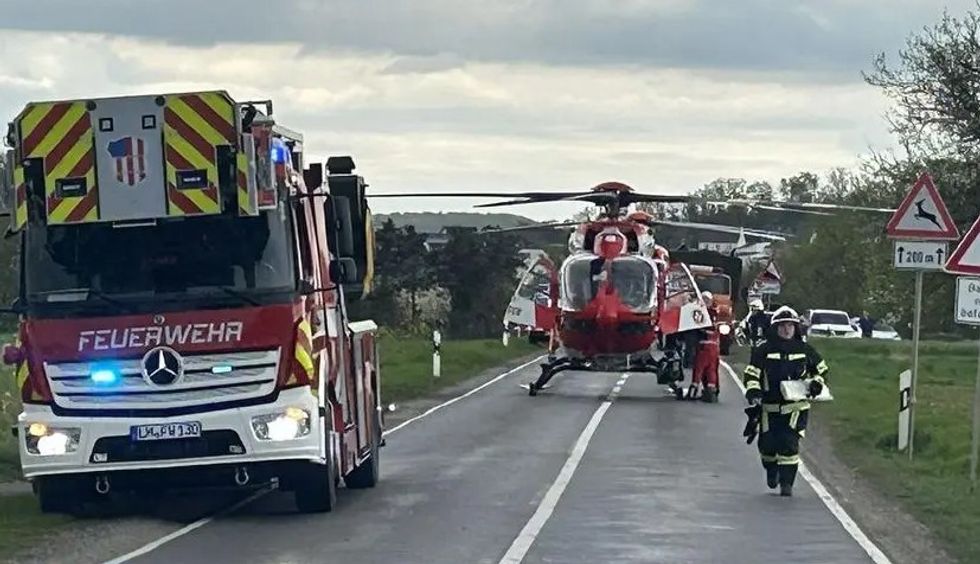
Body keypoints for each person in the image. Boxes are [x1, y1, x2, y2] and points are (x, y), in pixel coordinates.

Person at [742, 306, 829, 497]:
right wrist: (754, 391)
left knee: (789, 442)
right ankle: (772, 471)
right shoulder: (763, 350)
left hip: (795, 407)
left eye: (790, 325)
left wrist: (817, 383)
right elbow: (751, 374)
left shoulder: (805, 350)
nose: (787, 329)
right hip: (769, 406)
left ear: (796, 328)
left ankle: (787, 483)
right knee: (767, 446)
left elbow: (822, 370)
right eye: (782, 326)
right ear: (775, 328)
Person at [691, 291, 720, 402]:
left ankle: (694, 389)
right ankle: (711, 390)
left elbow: (698, 327)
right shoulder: (714, 313)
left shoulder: (701, 312)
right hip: (713, 347)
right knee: (711, 370)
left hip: (704, 345)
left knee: (699, 369)